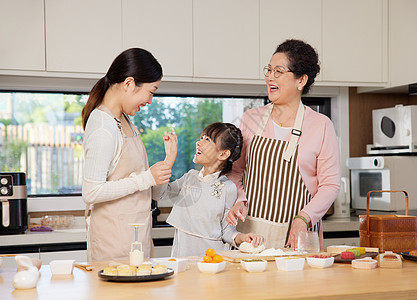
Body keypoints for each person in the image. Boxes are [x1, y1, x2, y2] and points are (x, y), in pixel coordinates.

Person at [226, 39, 341, 250]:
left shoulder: (321, 126)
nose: (270, 76)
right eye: (268, 70)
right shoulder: (250, 119)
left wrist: (304, 218)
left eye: (278, 71)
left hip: (296, 238)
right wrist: (238, 200)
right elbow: (234, 172)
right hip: (249, 237)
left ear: (301, 81)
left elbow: (330, 185)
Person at [81, 48, 173, 262]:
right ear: (129, 83)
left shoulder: (125, 121)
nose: (150, 100)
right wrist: (146, 178)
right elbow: (91, 192)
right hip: (114, 243)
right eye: (151, 91)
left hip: (136, 237)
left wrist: (166, 162)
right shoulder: (104, 126)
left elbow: (149, 189)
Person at [153, 122, 265, 257]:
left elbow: (226, 231)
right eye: (201, 138)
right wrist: (169, 158)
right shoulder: (190, 177)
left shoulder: (228, 188)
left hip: (211, 261)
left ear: (223, 154)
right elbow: (158, 194)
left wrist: (244, 237)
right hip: (180, 260)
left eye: (207, 140)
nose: (198, 143)